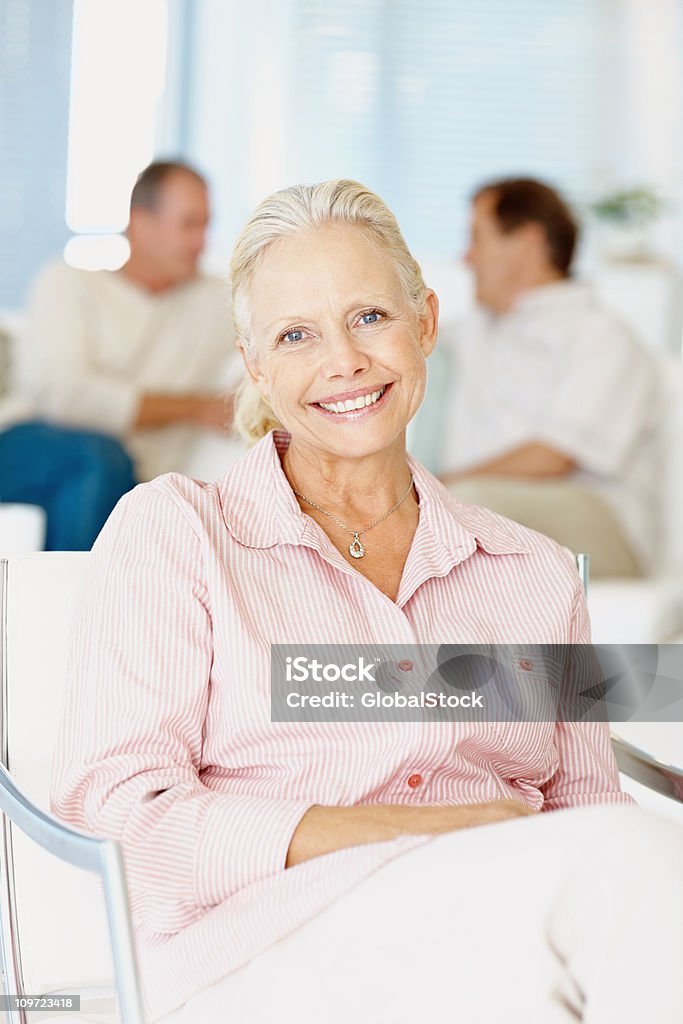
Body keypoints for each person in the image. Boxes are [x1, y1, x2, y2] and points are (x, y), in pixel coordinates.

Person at [51, 181, 683, 1023]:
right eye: (295, 334)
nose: (342, 360)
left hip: (505, 941)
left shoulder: (530, 571)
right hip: (256, 955)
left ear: (424, 323)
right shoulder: (177, 534)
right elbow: (117, 818)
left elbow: (587, 812)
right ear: (257, 365)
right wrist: (395, 831)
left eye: (370, 318)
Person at [437, 178, 660, 578]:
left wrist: (433, 487)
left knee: (462, 505)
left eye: (476, 238)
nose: (465, 258)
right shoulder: (477, 330)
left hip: (601, 527)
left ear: (526, 241)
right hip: (479, 504)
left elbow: (552, 458)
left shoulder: (600, 335)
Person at [22, 160, 241, 485]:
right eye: (189, 224)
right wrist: (194, 408)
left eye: (206, 225)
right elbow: (62, 394)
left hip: (125, 474)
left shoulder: (219, 302)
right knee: (99, 459)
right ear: (140, 224)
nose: (201, 241)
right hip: (38, 446)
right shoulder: (68, 283)